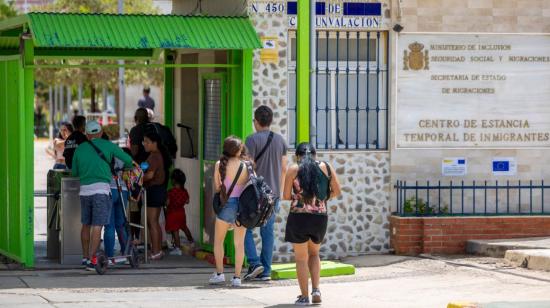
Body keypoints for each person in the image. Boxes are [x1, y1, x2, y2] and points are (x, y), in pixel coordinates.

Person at [282, 143, 342, 305]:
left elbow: (286, 195)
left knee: (301, 258)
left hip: (298, 218)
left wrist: (300, 198)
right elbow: (337, 191)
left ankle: (304, 296)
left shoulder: (293, 169)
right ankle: (316, 290)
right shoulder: (326, 167)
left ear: (297, 156)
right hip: (319, 218)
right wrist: (321, 200)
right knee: (314, 254)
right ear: (315, 155)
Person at [72, 120, 133, 271]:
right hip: (101, 191)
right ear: (100, 133)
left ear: (87, 135)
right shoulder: (109, 145)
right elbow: (128, 160)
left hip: (84, 191)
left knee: (86, 224)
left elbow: (74, 172)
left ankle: (85, 258)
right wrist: (126, 167)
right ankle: (94, 261)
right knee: (97, 225)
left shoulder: (80, 149)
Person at [243, 106, 288, 281]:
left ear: (256, 121)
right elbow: (284, 168)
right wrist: (280, 191)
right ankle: (266, 271)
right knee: (267, 232)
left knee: (245, 229)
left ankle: (254, 263)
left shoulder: (251, 140)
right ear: (270, 121)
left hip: (255, 194)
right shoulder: (280, 141)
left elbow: (249, 167)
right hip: (274, 194)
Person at [209, 136, 250, 287]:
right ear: (239, 151)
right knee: (239, 244)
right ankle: (237, 278)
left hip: (227, 205)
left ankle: (219, 274)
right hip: (242, 207)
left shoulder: (220, 164)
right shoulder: (246, 166)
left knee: (218, 241)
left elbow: (218, 187)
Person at [142, 131, 172, 260]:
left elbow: (150, 175)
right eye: (144, 141)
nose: (144, 144)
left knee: (152, 222)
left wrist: (138, 179)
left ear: (155, 143)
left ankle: (156, 251)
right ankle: (157, 250)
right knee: (154, 222)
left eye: (147, 141)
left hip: (154, 190)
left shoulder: (154, 156)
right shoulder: (158, 155)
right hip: (158, 190)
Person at [103, 133, 130, 262]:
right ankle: (126, 253)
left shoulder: (101, 155)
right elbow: (130, 166)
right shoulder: (119, 152)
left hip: (108, 190)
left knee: (109, 225)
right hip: (123, 191)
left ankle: (109, 256)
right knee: (120, 224)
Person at [166, 169, 194, 256]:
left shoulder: (170, 192)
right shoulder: (184, 191)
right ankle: (191, 241)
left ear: (173, 180)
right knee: (184, 228)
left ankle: (177, 248)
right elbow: (187, 201)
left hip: (172, 213)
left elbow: (167, 203)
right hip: (181, 212)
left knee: (175, 231)